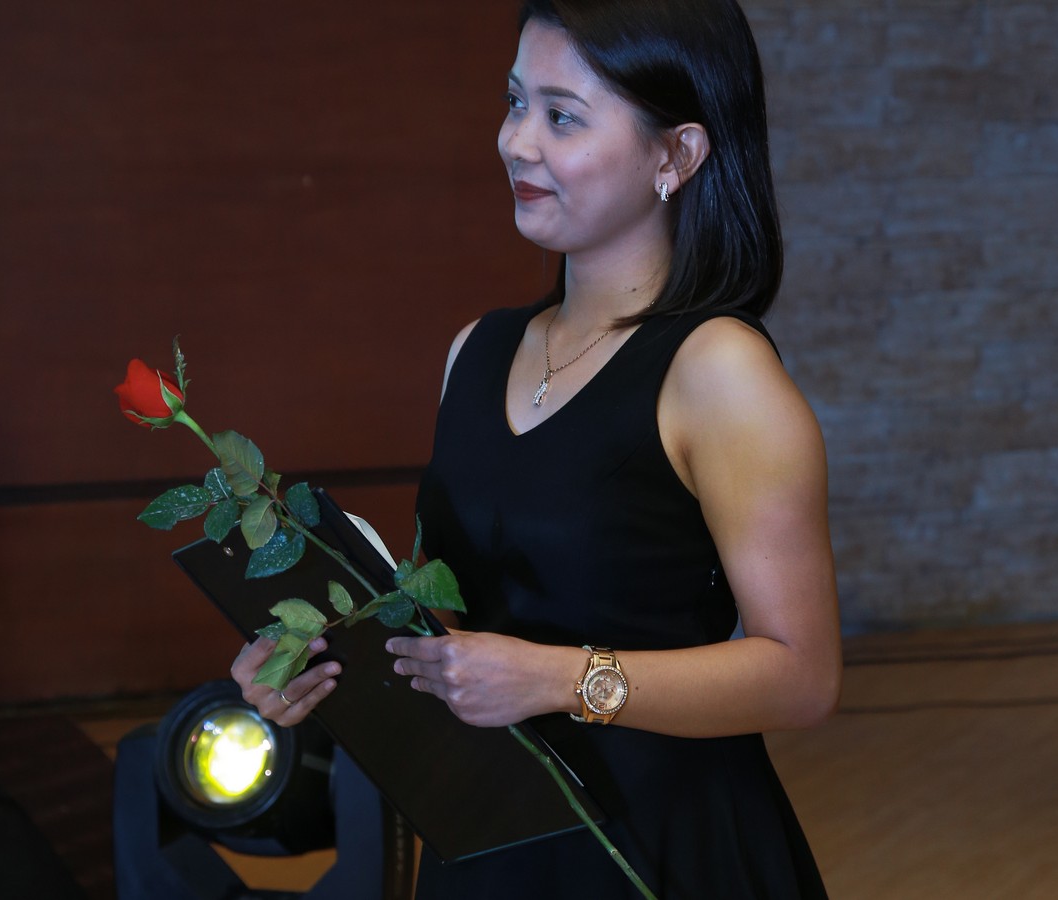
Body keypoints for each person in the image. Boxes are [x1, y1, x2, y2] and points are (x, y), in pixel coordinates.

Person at [232, 0, 841, 896]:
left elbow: (803, 677)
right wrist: (318, 667)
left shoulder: (719, 371)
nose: (516, 142)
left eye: (562, 116)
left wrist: (561, 680)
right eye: (516, 102)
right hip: (491, 846)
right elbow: (444, 635)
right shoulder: (475, 352)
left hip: (664, 853)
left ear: (676, 155)